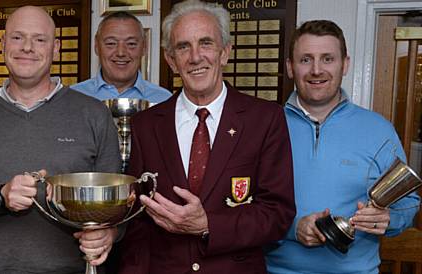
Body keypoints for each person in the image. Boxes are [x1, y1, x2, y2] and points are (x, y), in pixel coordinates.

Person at [0, 6, 121, 273]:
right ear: (2, 45)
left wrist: (111, 233)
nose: (27, 47)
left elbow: (118, 206)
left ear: (55, 48)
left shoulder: (93, 114)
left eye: (39, 39)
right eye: (17, 37)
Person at [117, 0, 296, 273]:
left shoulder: (265, 119)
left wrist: (208, 225)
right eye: (183, 47)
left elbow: (277, 214)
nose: (195, 56)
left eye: (206, 43)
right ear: (171, 60)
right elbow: (136, 224)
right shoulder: (146, 125)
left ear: (225, 52)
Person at [264, 20, 421, 274]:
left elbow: (409, 202)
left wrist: (389, 218)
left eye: (328, 59)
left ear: (345, 64)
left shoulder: (378, 129)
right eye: (306, 60)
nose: (317, 70)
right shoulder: (264, 127)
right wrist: (292, 228)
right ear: (290, 68)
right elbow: (243, 205)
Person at [71, 11, 171, 104]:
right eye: (111, 43)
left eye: (131, 44)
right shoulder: (73, 97)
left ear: (144, 47)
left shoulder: (164, 100)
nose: (121, 53)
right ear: (96, 46)